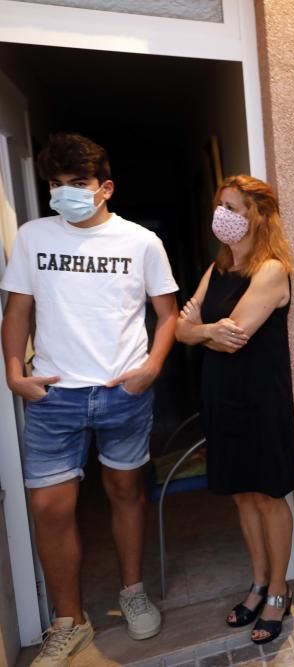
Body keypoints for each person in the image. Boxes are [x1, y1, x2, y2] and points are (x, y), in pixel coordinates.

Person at [1, 133, 178, 665]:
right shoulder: (33, 237)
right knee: (50, 508)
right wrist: (14, 372)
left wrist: (150, 368)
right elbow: (17, 311)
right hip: (53, 396)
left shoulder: (140, 241)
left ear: (105, 188)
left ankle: (132, 590)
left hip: (122, 393)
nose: (64, 194)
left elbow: (167, 314)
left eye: (77, 184)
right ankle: (68, 620)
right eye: (55, 185)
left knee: (126, 491)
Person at [175, 175, 294, 645]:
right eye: (220, 206)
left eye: (234, 207)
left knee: (268, 493)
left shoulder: (271, 269)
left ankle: (280, 592)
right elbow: (184, 330)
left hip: (260, 398)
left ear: (259, 214)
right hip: (221, 396)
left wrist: (198, 329)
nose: (223, 215)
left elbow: (237, 335)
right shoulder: (218, 267)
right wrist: (205, 331)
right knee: (242, 494)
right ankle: (259, 581)